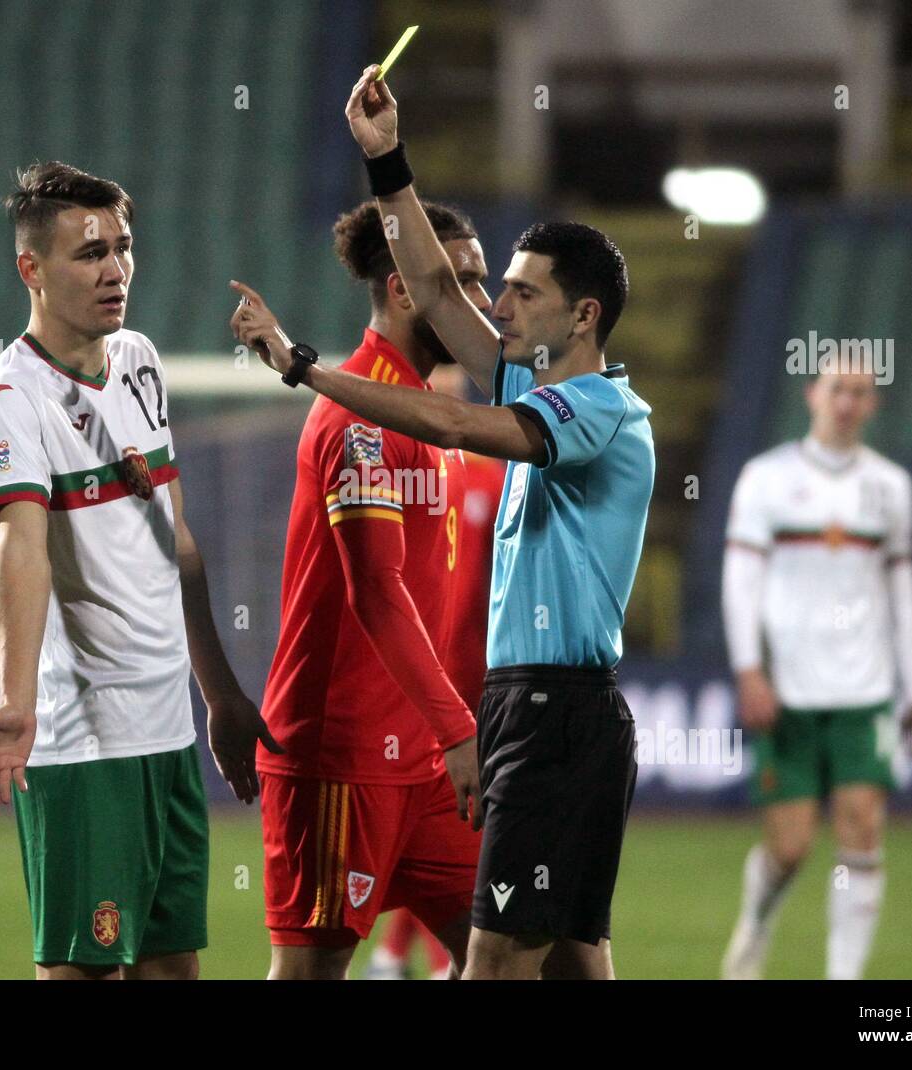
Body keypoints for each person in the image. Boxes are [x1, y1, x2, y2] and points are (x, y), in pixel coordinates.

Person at [231, 65, 655, 979]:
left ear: (582, 316)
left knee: (499, 960)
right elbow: (428, 284)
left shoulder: (594, 412)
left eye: (518, 294)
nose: (493, 307)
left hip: (553, 713)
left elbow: (458, 422)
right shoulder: (532, 383)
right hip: (500, 712)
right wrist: (388, 160)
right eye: (492, 288)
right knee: (572, 963)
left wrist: (302, 368)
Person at [0, 161, 273, 980]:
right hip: (80, 741)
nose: (115, 269)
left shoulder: (137, 359)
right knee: (84, 974)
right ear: (31, 269)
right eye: (89, 252)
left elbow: (175, 539)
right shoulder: (8, 399)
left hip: (166, 733)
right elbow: (20, 549)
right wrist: (18, 702)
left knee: (173, 971)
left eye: (123, 247)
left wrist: (221, 692)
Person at [254, 199, 492, 980]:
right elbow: (377, 592)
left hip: (422, 756)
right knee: (311, 975)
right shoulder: (356, 420)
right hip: (343, 752)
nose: (481, 307)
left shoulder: (431, 417)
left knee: (515, 952)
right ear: (401, 290)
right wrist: (460, 729)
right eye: (462, 285)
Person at [720, 368, 912, 980]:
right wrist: (748, 669)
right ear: (813, 394)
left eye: (860, 392)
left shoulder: (889, 487)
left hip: (865, 691)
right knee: (789, 848)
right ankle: (756, 924)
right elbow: (741, 582)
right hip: (789, 688)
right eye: (837, 389)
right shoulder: (768, 478)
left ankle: (845, 978)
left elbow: (903, 592)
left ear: (873, 404)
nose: (847, 402)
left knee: (862, 829)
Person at [367, 365, 507, 982]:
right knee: (426, 822)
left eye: (451, 398)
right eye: (430, 396)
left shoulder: (491, 477)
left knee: (457, 825)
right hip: (420, 682)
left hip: (479, 679)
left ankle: (397, 957)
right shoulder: (393, 474)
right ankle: (407, 956)